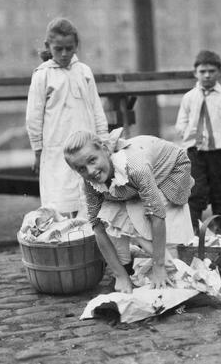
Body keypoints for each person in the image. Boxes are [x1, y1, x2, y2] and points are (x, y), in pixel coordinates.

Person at [63, 129, 194, 294]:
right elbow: (97, 227)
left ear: (104, 148)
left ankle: (168, 267)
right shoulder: (90, 182)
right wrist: (119, 275)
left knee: (142, 218)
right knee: (108, 216)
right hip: (134, 181)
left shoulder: (136, 168)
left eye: (92, 160)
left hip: (170, 169)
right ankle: (125, 272)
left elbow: (158, 215)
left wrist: (158, 267)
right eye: (81, 169)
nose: (90, 171)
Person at [26, 17, 108, 217]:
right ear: (48, 47)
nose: (64, 54)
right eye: (58, 49)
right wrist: (38, 151)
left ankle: (92, 239)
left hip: (86, 144)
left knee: (91, 196)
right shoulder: (42, 76)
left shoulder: (84, 72)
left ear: (76, 46)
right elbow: (33, 117)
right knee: (60, 198)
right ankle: (65, 240)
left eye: (69, 48)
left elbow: (97, 108)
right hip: (57, 147)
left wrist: (104, 140)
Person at [175, 50, 221, 233]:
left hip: (219, 151)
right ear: (195, 73)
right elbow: (181, 121)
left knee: (219, 188)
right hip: (195, 151)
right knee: (196, 189)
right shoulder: (189, 97)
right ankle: (194, 228)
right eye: (202, 71)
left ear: (220, 72)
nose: (207, 75)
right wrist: (186, 134)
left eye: (211, 71)